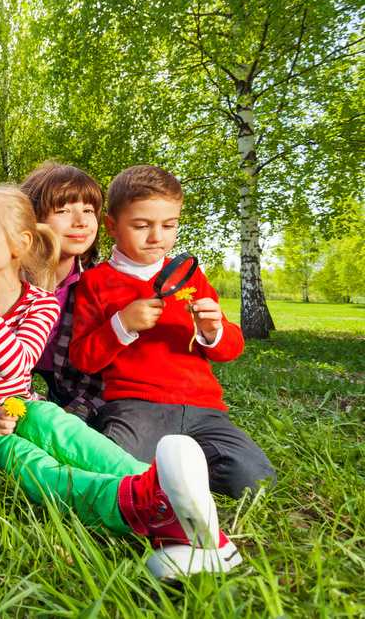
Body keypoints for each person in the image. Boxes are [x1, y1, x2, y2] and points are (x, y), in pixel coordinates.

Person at [0, 185, 240, 579]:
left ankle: (160, 490)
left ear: (18, 244)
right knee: (23, 460)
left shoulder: (40, 303)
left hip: (19, 402)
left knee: (69, 433)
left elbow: (14, 366)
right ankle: (133, 507)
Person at [69, 165, 276, 499]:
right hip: (136, 407)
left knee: (255, 481)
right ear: (111, 226)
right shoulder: (95, 282)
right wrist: (121, 325)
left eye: (169, 225)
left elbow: (230, 350)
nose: (157, 237)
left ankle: (178, 470)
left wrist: (214, 330)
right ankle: (167, 474)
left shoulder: (189, 276)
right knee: (115, 479)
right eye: (141, 225)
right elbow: (83, 358)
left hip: (203, 409)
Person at [20, 161, 106, 427]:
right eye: (63, 210)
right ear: (32, 219)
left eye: (89, 210)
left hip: (73, 385)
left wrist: (76, 411)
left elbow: (105, 376)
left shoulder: (99, 281)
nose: (80, 222)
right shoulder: (9, 278)